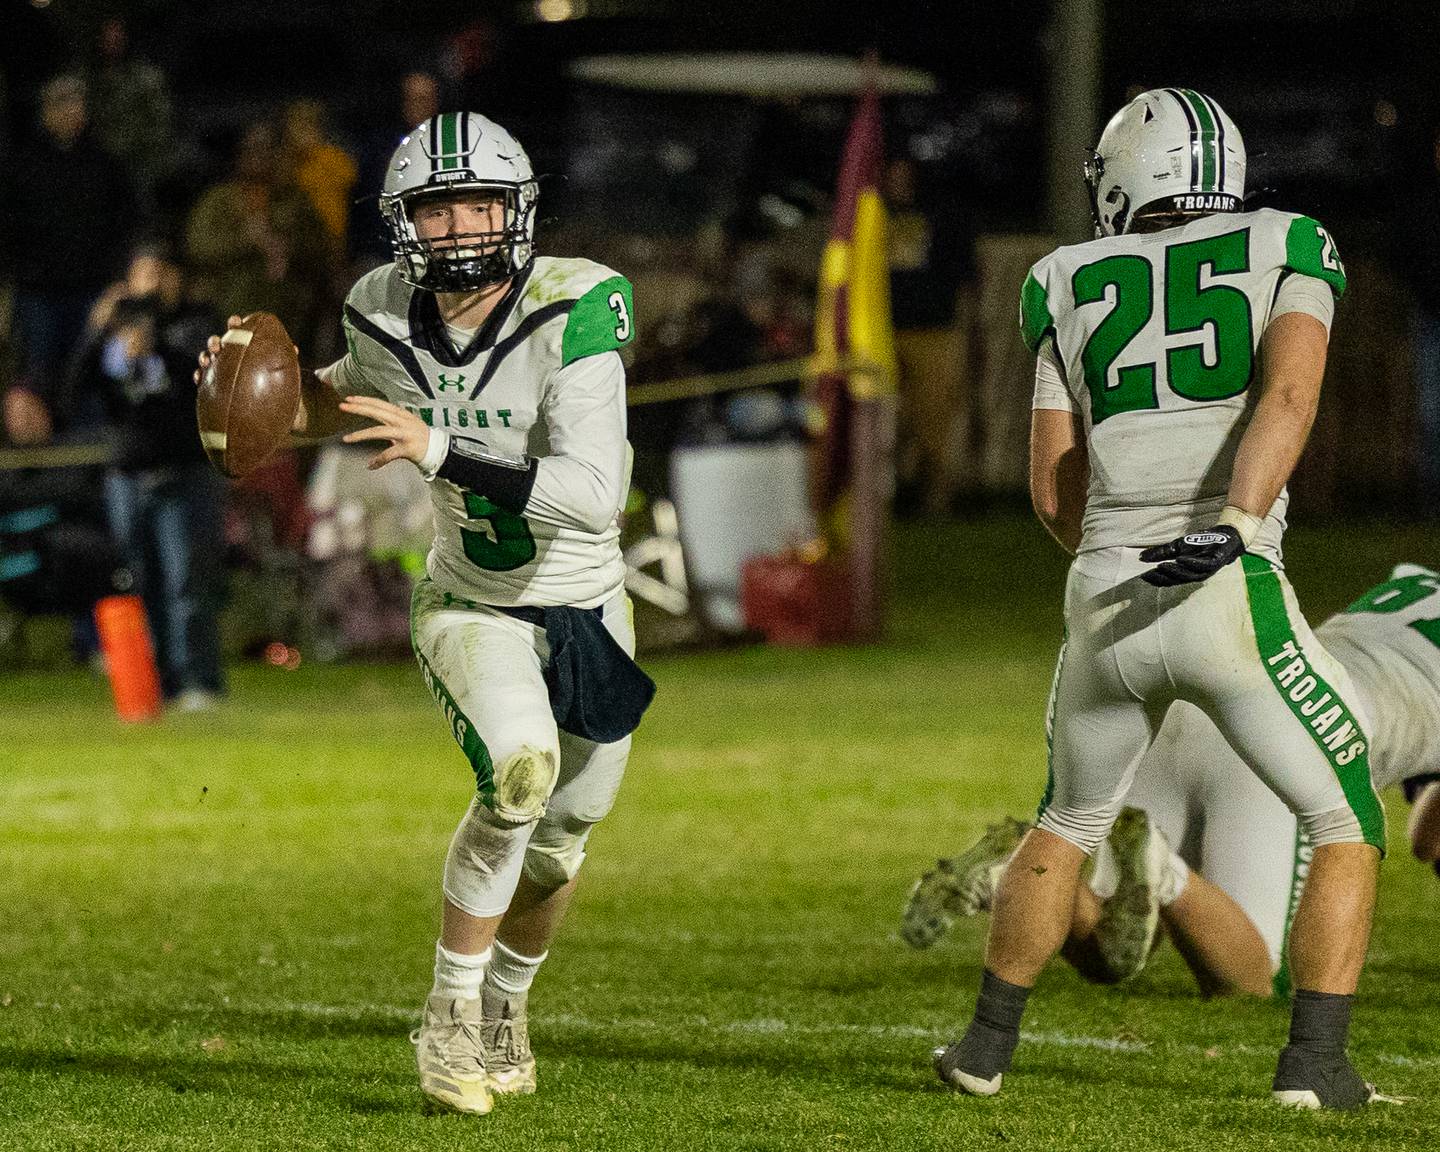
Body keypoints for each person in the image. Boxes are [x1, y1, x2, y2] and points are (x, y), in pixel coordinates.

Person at [931, 89, 1385, 1110]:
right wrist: (1234, 523)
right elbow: (1290, 395)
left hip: (1104, 592)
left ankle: (985, 1047)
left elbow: (1054, 485)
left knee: (1065, 819)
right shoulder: (1286, 242)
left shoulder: (1062, 278)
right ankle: (1314, 1066)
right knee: (1345, 814)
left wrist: (1112, 551)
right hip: (1224, 583)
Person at [195, 111, 652, 1116]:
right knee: (518, 771)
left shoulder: (576, 306)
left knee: (561, 842)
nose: (459, 229)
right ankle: (449, 1014)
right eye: (437, 210)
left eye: (477, 206)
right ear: (406, 222)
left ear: (516, 211)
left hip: (586, 600)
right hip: (473, 602)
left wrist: (442, 449)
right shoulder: (381, 310)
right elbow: (339, 401)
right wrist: (253, 398)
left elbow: (591, 495)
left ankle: (505, 1003)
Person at [904, 564, 1440, 1001]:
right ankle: (1165, 872)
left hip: (1200, 698)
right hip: (1288, 736)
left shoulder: (1415, 580)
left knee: (1112, 951)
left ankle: (1010, 873)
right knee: (1251, 978)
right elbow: (1428, 840)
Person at [73, 246, 225, 708]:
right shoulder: (114, 331)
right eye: (144, 275)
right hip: (128, 474)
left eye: (162, 274)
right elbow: (73, 390)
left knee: (185, 582)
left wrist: (154, 342)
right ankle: (148, 681)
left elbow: (200, 380)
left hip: (181, 471)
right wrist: (97, 330)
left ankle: (196, 681)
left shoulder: (194, 322)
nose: (154, 285)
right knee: (136, 581)